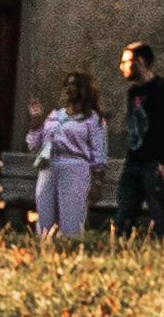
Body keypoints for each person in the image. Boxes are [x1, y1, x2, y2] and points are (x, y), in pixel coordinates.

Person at [26, 73, 110, 244]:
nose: (69, 89)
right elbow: (33, 143)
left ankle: (70, 250)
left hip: (76, 168)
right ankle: (44, 250)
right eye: (67, 85)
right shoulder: (54, 115)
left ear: (84, 90)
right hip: (48, 167)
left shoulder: (93, 119)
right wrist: (35, 120)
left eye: (74, 85)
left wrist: (97, 182)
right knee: (44, 217)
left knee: (71, 219)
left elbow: (99, 153)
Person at [118, 41, 164, 236]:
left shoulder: (161, 89)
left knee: (159, 213)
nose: (122, 67)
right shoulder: (133, 92)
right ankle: (120, 250)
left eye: (126, 61)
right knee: (124, 212)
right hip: (133, 162)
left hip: (155, 165)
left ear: (140, 61)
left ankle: (162, 252)